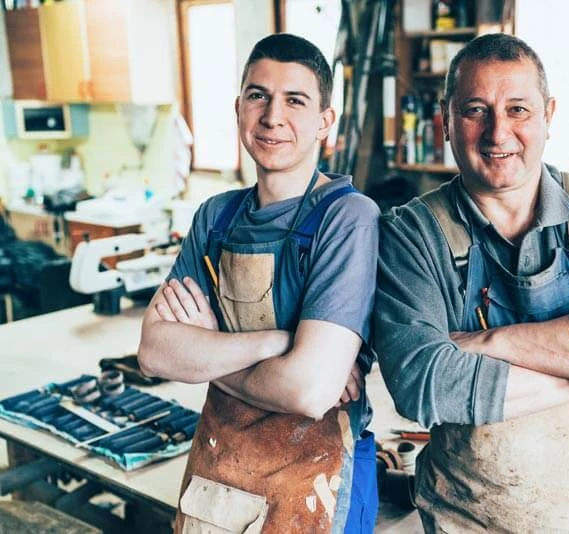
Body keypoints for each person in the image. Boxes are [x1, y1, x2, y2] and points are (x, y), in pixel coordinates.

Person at [373, 33, 569, 532]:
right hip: (474, 514)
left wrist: (487, 341)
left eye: (518, 110)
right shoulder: (413, 234)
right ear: (446, 120)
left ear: (548, 114)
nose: (498, 133)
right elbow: (424, 383)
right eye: (476, 110)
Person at [138, 34, 380, 533]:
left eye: (295, 100)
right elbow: (155, 354)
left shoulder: (349, 218)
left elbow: (311, 391)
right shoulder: (216, 217)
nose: (273, 116)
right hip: (218, 469)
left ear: (324, 122)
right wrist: (281, 343)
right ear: (239, 107)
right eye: (258, 95)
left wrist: (208, 354)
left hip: (317, 480)